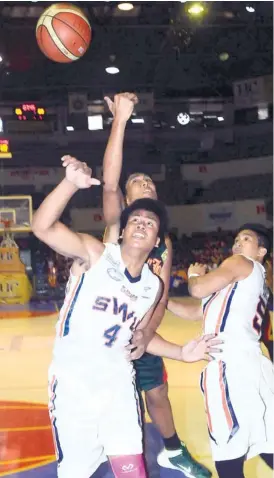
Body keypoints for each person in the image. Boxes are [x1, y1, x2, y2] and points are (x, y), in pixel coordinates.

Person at [32, 156, 221, 478]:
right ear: (122, 232)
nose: (142, 225)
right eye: (135, 220)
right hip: (73, 383)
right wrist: (69, 184)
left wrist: (180, 352)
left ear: (158, 242)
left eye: (150, 223)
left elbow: (137, 337)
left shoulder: (151, 286)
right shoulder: (94, 254)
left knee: (133, 472)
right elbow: (42, 227)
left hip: (118, 385)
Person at [102, 92, 211, 477]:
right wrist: (120, 122)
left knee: (158, 392)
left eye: (148, 179)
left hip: (140, 331)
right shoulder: (119, 226)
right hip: (103, 329)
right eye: (137, 181)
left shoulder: (161, 241)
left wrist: (147, 332)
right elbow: (110, 183)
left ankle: (172, 450)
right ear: (127, 201)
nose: (144, 181)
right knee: (116, 403)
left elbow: (161, 293)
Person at [168, 224, 274, 478]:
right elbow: (196, 312)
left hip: (230, 364)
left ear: (261, 251)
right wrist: (161, 300)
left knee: (228, 455)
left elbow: (196, 290)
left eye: (246, 239)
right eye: (236, 239)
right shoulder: (247, 280)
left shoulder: (240, 263)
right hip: (253, 365)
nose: (237, 244)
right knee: (265, 442)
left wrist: (193, 275)